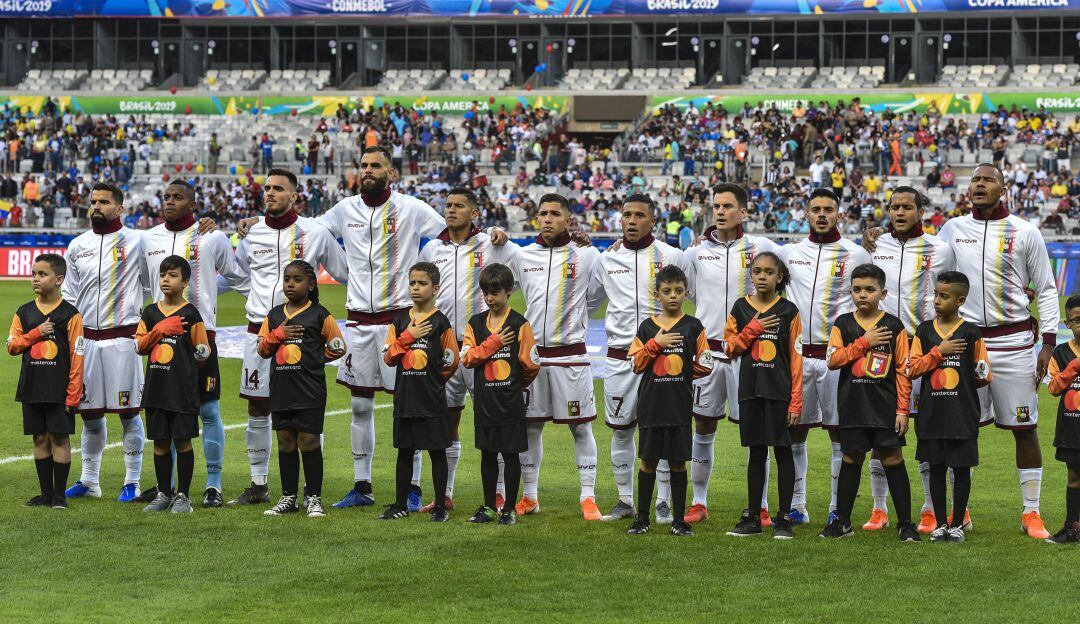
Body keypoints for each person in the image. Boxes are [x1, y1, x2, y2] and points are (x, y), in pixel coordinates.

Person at [870, 163, 1059, 539]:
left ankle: (1031, 512)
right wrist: (880, 236)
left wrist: (1049, 343)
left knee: (1024, 428)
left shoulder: (1025, 231)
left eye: (988, 179)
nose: (980, 184)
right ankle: (955, 510)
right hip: (961, 344)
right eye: (975, 179)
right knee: (951, 429)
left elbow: (1047, 288)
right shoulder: (952, 231)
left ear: (1003, 189)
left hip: (1013, 341)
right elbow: (926, 261)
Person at [230, 168, 347, 506]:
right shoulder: (251, 233)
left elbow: (343, 271)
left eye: (278, 188)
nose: (270, 193)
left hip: (302, 335)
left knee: (305, 411)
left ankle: (312, 490)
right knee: (257, 406)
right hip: (260, 331)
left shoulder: (316, 232)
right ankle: (258, 484)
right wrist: (254, 299)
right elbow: (240, 274)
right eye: (267, 188)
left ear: (294, 196)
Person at [142, 180, 249, 507]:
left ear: (192, 204)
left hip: (201, 337)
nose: (169, 201)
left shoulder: (212, 237)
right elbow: (141, 282)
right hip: (162, 338)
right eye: (166, 197)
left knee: (208, 409)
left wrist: (265, 311)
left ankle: (213, 485)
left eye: (177, 197)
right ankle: (168, 487)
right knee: (168, 410)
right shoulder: (149, 238)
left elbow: (237, 276)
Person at [588, 193, 690, 524]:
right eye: (627, 215)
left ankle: (663, 502)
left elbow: (693, 294)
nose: (632, 220)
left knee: (660, 429)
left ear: (653, 221)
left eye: (639, 215)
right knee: (621, 430)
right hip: (620, 358)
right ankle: (625, 500)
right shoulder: (607, 259)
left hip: (663, 358)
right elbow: (589, 302)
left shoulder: (672, 256)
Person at [417, 187, 517, 512]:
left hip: (483, 348)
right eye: (448, 205)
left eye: (459, 206)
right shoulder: (433, 247)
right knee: (447, 420)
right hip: (444, 347)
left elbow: (522, 269)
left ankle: (499, 493)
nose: (451, 210)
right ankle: (444, 493)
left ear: (474, 213)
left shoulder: (491, 244)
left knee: (492, 420)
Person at [686, 183, 779, 525]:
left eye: (727, 206)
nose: (720, 212)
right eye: (716, 206)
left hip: (749, 353)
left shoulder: (762, 247)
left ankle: (761, 504)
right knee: (703, 424)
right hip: (709, 352)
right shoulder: (695, 252)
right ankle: (698, 502)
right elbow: (685, 289)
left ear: (743, 212)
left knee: (756, 430)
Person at [508, 193, 604, 520]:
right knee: (531, 428)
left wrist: (578, 316)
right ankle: (530, 497)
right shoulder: (522, 255)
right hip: (533, 358)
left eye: (555, 213)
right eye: (543, 213)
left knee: (581, 428)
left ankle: (588, 497)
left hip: (571, 356)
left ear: (567, 219)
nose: (548, 219)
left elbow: (597, 295)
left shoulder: (587, 255)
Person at [778, 188, 871, 525]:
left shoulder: (856, 254)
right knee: (795, 431)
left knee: (839, 434)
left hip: (837, 358)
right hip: (798, 357)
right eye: (815, 209)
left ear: (839, 214)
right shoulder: (789, 253)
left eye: (828, 209)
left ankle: (836, 507)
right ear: (805, 214)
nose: (821, 215)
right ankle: (797, 506)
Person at [869, 186, 956, 533]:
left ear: (921, 211)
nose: (900, 212)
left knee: (928, 430)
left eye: (907, 207)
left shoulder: (940, 249)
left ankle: (931, 508)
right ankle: (879, 508)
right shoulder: (876, 246)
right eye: (894, 207)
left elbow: (955, 291)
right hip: (883, 349)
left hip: (924, 348)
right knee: (881, 428)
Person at [62, 182, 152, 502]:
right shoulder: (77, 245)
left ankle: (132, 482)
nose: (96, 206)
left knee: (129, 413)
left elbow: (153, 277)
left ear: (120, 208)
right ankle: (90, 481)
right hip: (86, 341)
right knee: (89, 414)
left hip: (123, 339)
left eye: (103, 201)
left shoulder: (138, 241)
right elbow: (69, 294)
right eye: (93, 201)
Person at [820, 264, 918, 542]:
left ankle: (906, 524)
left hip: (885, 407)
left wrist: (902, 410)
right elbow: (833, 360)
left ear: (882, 293)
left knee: (893, 459)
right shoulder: (842, 324)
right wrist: (865, 341)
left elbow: (903, 370)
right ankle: (842, 523)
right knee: (851, 458)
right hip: (853, 404)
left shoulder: (894, 326)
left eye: (870, 289)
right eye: (857, 289)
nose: (862, 295)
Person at [625, 265, 712, 537]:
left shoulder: (693, 326)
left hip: (679, 405)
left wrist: (682, 370)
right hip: (651, 405)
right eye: (666, 291)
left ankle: (679, 520)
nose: (672, 295)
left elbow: (706, 364)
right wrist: (655, 344)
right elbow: (635, 364)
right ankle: (642, 519)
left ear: (687, 293)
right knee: (648, 462)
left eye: (678, 290)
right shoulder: (647, 327)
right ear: (657, 295)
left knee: (677, 463)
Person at [257, 260, 346, 518]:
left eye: (297, 279)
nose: (290, 284)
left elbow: (339, 346)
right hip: (281, 389)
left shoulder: (320, 314)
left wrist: (315, 358)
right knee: (285, 442)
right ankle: (288, 498)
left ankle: (314, 497)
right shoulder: (274, 316)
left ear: (311, 285)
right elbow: (262, 349)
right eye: (287, 279)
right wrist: (278, 335)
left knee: (308, 441)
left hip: (310, 389)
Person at [908, 272, 992, 543]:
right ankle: (940, 524)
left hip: (962, 413)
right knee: (936, 467)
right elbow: (912, 368)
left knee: (961, 468)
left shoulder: (971, 333)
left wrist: (963, 382)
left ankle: (957, 525)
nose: (937, 300)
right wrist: (939, 352)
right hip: (932, 413)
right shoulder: (924, 331)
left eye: (944, 296)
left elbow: (985, 374)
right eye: (936, 294)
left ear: (960, 300)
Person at [722, 252, 802, 539]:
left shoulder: (789, 311)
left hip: (779, 392)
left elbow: (796, 358)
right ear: (751, 275)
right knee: (756, 453)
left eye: (769, 272)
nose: (762, 277)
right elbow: (728, 348)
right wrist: (752, 330)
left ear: (779, 277)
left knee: (783, 452)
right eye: (757, 271)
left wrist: (795, 401)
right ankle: (754, 518)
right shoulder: (740, 308)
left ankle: (784, 519)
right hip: (751, 391)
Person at [378, 262, 460, 521]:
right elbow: (389, 357)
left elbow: (452, 361)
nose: (416, 287)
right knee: (405, 450)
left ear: (435, 288)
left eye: (422, 283)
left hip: (431, 400)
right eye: (412, 282)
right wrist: (408, 336)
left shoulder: (441, 322)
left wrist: (432, 381)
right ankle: (400, 505)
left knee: (437, 451)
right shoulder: (400, 320)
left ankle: (440, 508)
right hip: (405, 398)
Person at [460, 263, 540, 525]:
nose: (490, 298)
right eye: (486, 293)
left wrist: (514, 385)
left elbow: (531, 365)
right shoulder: (475, 324)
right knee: (487, 454)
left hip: (509, 403)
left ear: (509, 292)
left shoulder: (519, 324)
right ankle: (488, 506)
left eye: (495, 293)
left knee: (510, 454)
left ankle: (508, 510)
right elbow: (467, 358)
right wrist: (493, 343)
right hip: (484, 403)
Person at [6, 253, 83, 508]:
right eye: (33, 274)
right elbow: (12, 346)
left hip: (59, 390)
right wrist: (36, 334)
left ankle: (59, 497)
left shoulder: (71, 315)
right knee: (39, 438)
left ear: (58, 279)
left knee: (59, 438)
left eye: (42, 274)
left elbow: (77, 356)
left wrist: (73, 393)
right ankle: (45, 494)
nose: (35, 279)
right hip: (31, 387)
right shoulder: (24, 312)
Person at [135, 256, 211, 514]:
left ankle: (183, 496)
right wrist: (161, 329)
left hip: (181, 389)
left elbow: (203, 350)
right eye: (162, 275)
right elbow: (139, 346)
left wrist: (199, 352)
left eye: (172, 275)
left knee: (182, 441)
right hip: (156, 388)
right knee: (160, 442)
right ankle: (164, 493)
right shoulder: (150, 312)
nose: (166, 279)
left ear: (185, 282)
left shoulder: (191, 313)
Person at [1046, 294, 1080, 544]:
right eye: (1076, 320)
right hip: (1071, 427)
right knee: (1074, 476)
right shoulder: (1061, 352)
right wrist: (1073, 368)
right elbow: (1053, 388)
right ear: (1067, 324)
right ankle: (1072, 528)